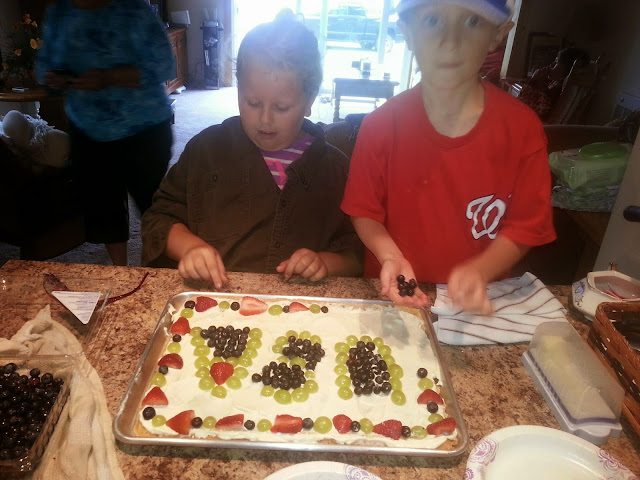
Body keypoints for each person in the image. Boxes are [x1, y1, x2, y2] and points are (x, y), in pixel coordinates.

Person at [341, 0, 556, 313]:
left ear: (498, 35)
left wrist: (481, 269)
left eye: (472, 22)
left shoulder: (523, 129)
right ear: (407, 33)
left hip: (478, 305)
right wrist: (390, 256)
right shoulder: (380, 126)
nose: (450, 41)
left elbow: (526, 226)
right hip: (392, 300)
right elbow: (364, 211)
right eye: (432, 21)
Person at [141, 18, 363, 288]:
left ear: (310, 101)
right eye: (253, 102)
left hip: (298, 307)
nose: (265, 119)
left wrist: (325, 262)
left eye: (281, 107)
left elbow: (357, 253)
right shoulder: (205, 150)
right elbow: (158, 219)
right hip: (216, 301)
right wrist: (190, 248)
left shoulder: (337, 170)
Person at [35, 0, 175, 266]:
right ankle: (120, 273)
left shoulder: (133, 9)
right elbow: (43, 67)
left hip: (144, 128)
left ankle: (160, 272)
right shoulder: (59, 13)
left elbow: (165, 64)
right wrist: (53, 78)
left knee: (155, 206)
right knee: (105, 211)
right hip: (87, 129)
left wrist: (109, 77)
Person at [518, 47, 590, 120]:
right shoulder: (554, 84)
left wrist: (533, 81)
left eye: (556, 62)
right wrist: (539, 83)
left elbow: (522, 106)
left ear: (567, 69)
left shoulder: (557, 91)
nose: (550, 65)